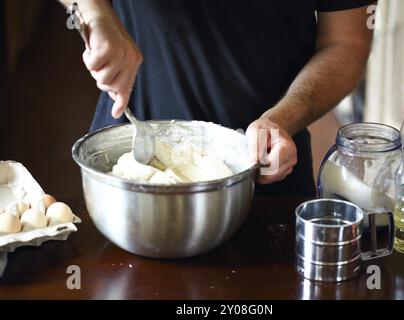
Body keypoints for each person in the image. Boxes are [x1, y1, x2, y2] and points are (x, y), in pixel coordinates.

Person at [60, 0, 375, 197]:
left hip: (266, 166)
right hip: (127, 164)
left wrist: (283, 117)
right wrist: (95, 15)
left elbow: (346, 41)